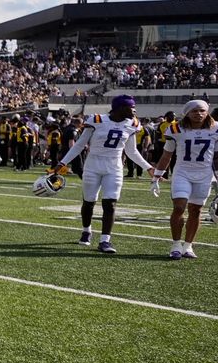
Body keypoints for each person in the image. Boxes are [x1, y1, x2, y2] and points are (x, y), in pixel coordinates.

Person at [51, 95, 153, 254]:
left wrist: (148, 168)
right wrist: (62, 163)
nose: (134, 110)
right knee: (89, 202)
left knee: (110, 203)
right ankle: (86, 230)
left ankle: (105, 240)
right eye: (131, 107)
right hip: (93, 165)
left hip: (114, 166)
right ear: (120, 108)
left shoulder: (133, 124)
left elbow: (131, 151)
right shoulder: (97, 120)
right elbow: (79, 145)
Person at [152, 99, 218, 259]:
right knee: (179, 207)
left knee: (196, 210)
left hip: (204, 174)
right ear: (187, 113)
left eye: (202, 111)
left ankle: (188, 246)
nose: (199, 114)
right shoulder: (176, 128)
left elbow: (217, 157)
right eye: (194, 111)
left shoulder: (215, 128)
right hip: (183, 173)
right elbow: (167, 155)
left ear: (207, 112)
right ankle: (176, 244)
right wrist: (157, 176)